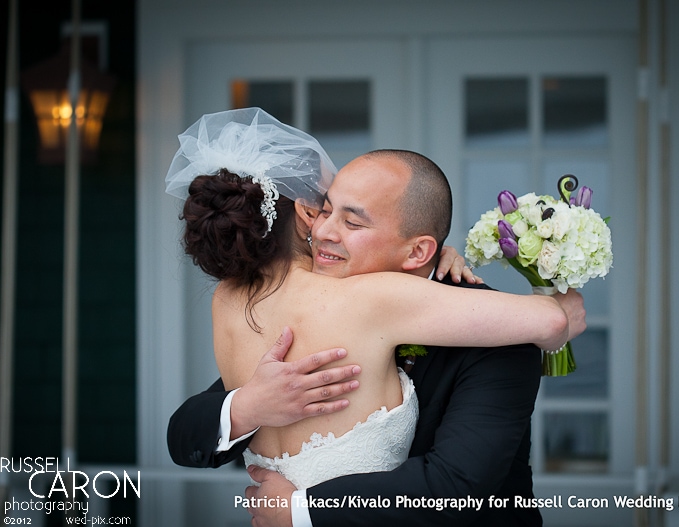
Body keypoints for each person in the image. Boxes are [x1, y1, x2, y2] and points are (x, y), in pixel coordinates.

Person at [166, 108, 587, 525]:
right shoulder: (304, 306)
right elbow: (185, 434)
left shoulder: (497, 336)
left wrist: (300, 513)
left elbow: (456, 487)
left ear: (420, 252)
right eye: (324, 211)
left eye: (351, 222)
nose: (325, 232)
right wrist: (246, 407)